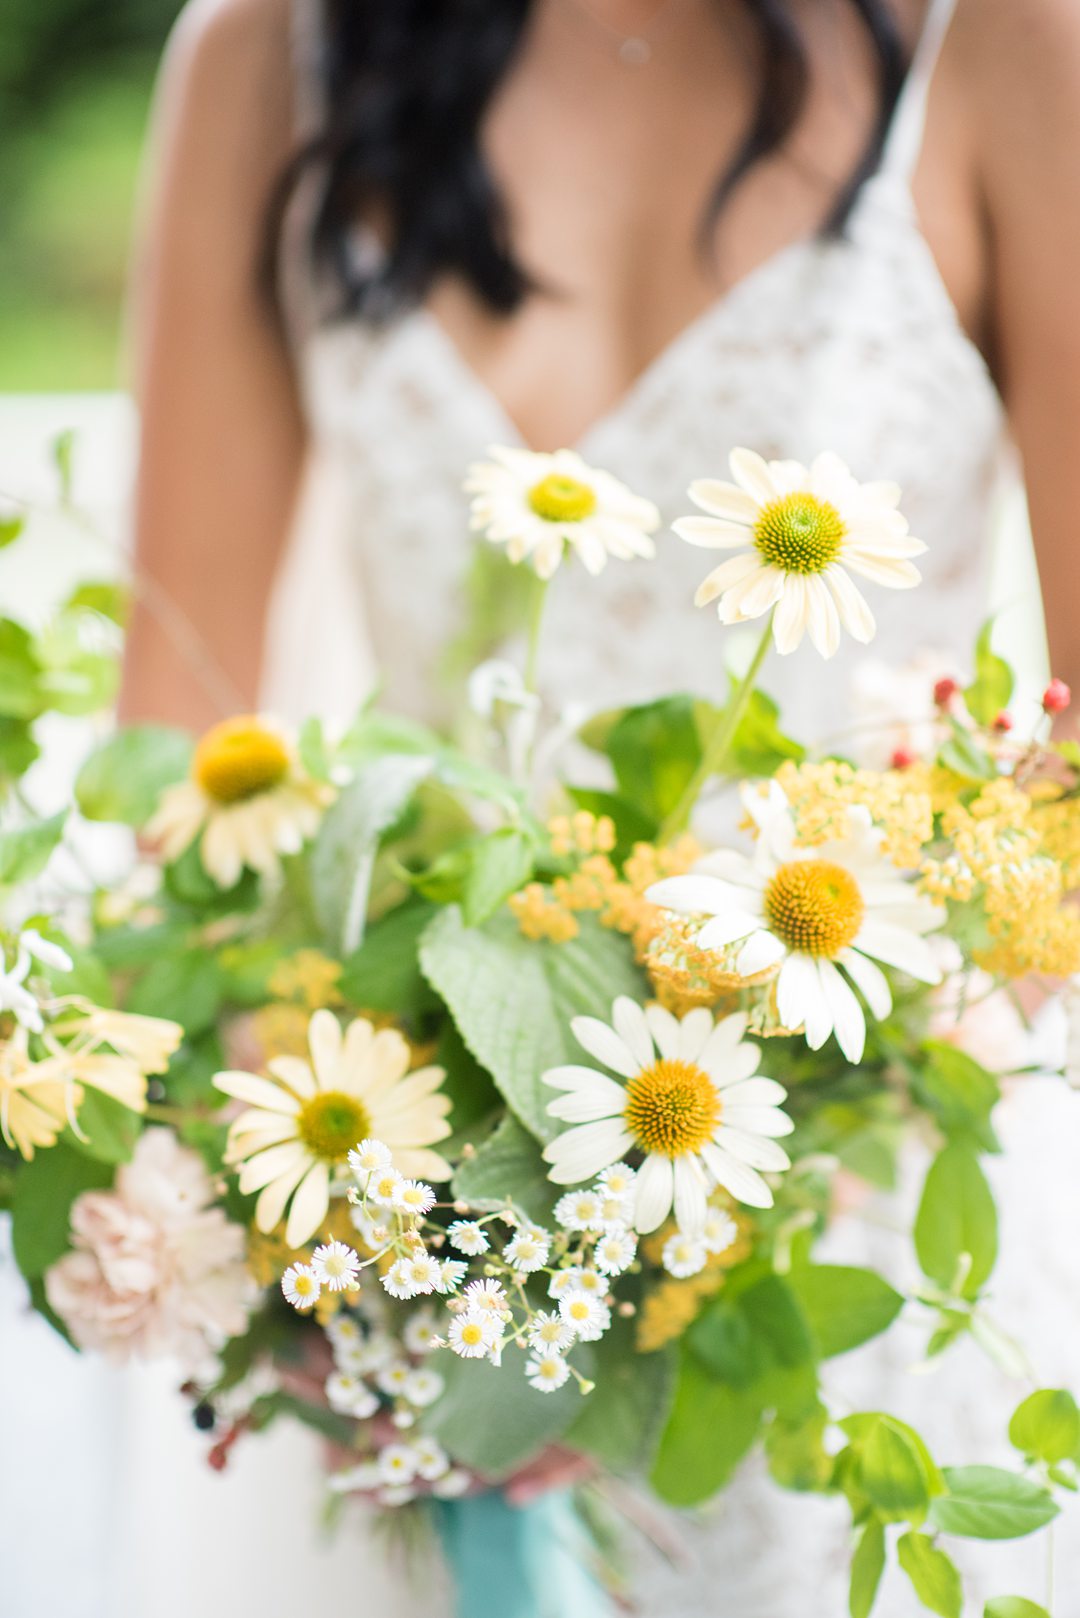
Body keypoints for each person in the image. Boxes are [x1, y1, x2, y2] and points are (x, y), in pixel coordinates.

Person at [119, 1, 1080, 1613]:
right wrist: (361, 1258)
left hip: (871, 1210)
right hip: (415, 1232)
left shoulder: (1006, 41)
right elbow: (179, 731)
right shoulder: (263, 56)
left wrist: (796, 1113)